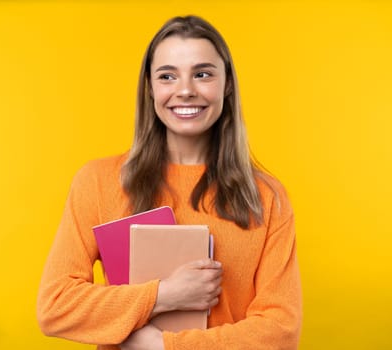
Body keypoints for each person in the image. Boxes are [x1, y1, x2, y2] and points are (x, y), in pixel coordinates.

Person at [37, 15, 302, 350]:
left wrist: (163, 346)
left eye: (202, 74)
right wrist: (164, 294)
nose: (186, 90)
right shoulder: (98, 182)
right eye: (167, 76)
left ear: (228, 84)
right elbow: (56, 305)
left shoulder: (266, 197)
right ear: (150, 87)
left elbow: (281, 332)